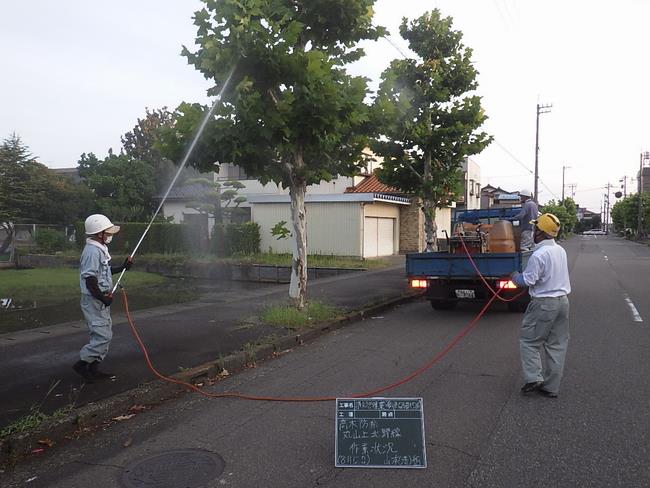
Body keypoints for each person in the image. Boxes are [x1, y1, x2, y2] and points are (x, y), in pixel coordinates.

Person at [510, 213, 571, 398]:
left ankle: (534, 377)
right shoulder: (560, 250)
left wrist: (514, 277)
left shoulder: (538, 254)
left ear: (541, 233)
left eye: (536, 228)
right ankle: (551, 387)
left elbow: (529, 280)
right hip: (563, 302)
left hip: (544, 303)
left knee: (529, 341)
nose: (533, 231)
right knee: (556, 345)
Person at [73, 214, 132, 382]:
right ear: (100, 234)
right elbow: (90, 279)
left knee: (104, 333)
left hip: (99, 299)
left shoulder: (99, 248)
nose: (110, 235)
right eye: (108, 232)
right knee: (103, 336)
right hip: (94, 300)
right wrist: (102, 298)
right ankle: (82, 364)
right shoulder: (92, 251)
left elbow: (103, 271)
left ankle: (93, 368)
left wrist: (122, 268)